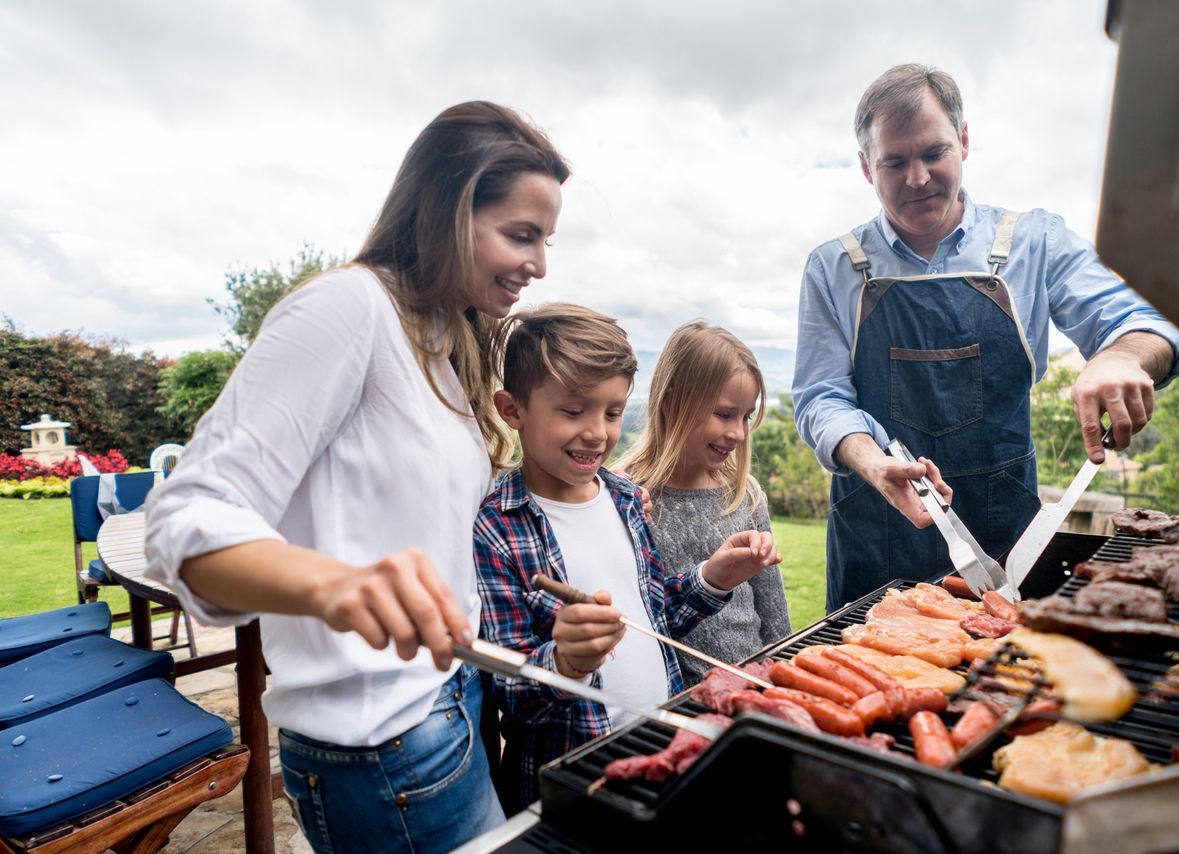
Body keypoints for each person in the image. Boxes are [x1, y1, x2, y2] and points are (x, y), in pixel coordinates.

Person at [144, 101, 569, 852]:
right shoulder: (346, 309)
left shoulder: (442, 338)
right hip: (379, 750)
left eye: (546, 239)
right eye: (521, 234)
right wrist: (334, 585)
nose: (539, 263)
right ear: (446, 212)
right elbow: (186, 517)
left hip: (443, 709)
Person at [792, 64, 1179, 610]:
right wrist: (871, 460)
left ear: (964, 141)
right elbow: (821, 398)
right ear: (866, 167)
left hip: (1007, 532)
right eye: (895, 162)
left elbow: (1144, 326)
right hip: (874, 528)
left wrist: (1121, 357)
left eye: (933, 153)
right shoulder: (833, 266)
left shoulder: (1035, 241)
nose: (917, 178)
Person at [474, 303, 782, 813]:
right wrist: (568, 661)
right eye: (573, 411)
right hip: (575, 776)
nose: (597, 432)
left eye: (612, 412)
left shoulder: (623, 499)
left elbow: (657, 620)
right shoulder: (496, 527)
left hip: (658, 746)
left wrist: (713, 577)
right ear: (513, 410)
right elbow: (513, 692)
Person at [616, 320, 791, 683]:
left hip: (753, 688)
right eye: (724, 414)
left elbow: (773, 612)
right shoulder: (627, 496)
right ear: (670, 402)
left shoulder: (745, 494)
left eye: (745, 417)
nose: (738, 433)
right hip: (676, 703)